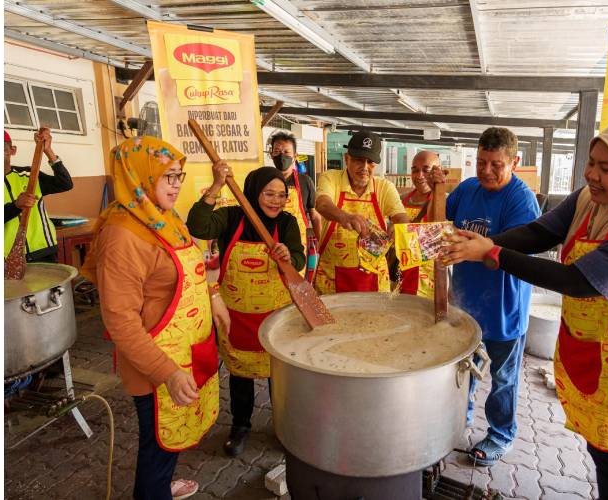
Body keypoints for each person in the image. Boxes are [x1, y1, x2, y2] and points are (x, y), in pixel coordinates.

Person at [440, 117, 608, 499]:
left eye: (606, 169)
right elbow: (539, 232)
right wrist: (484, 243)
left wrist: (491, 252)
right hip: (598, 358)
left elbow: (577, 281)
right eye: (591, 162)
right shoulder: (591, 200)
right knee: (603, 456)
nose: (591, 174)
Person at [82, 136, 229, 500]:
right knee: (158, 441)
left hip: (185, 350)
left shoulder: (162, 216)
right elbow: (120, 322)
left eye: (179, 175)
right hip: (155, 363)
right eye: (168, 176)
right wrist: (167, 372)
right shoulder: (123, 236)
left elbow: (191, 264)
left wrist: (213, 296)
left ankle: (159, 484)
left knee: (170, 438)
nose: (177, 184)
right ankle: (153, 490)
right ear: (140, 176)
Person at [431, 127, 540, 466]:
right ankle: (456, 424)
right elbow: (438, 226)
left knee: (504, 378)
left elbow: (513, 252)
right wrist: (435, 188)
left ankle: (500, 435)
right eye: (480, 162)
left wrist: (473, 249)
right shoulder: (466, 189)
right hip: (465, 303)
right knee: (463, 370)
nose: (486, 171)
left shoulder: (521, 200)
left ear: (514, 162)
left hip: (504, 307)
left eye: (496, 164)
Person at [186, 165, 305, 457]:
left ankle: (284, 427)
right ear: (253, 192)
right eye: (268, 193)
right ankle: (240, 426)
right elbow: (198, 227)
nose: (276, 201)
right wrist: (216, 185)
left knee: (279, 377)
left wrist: (288, 256)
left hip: (275, 318)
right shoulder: (231, 218)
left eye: (281, 195)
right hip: (236, 315)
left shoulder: (287, 223)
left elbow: (299, 258)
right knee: (240, 375)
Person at [314, 130, 409, 294]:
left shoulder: (384, 187)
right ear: (346, 159)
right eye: (358, 160)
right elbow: (322, 204)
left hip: (375, 281)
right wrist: (345, 217)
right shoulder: (331, 178)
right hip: (330, 280)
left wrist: (398, 228)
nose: (364, 167)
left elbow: (401, 216)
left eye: (370, 162)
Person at [4, 128, 73, 263]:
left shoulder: (30, 175)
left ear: (13, 150)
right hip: (7, 257)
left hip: (43, 250)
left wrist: (48, 151)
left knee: (52, 285)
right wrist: (16, 205)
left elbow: (65, 183)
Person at [397, 150, 439, 298]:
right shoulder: (401, 199)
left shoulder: (444, 201)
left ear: (436, 172)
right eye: (415, 170)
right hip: (402, 272)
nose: (420, 176)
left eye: (426, 170)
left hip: (430, 277)